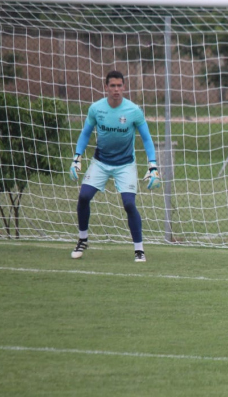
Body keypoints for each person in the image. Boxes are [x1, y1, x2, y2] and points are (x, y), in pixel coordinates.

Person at [68, 70, 161, 262]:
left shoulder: (134, 110)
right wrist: (77, 157)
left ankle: (139, 250)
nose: (116, 89)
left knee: (129, 204)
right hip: (100, 162)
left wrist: (153, 165)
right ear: (106, 87)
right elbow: (85, 133)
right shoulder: (96, 109)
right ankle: (83, 239)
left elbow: (146, 138)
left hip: (125, 164)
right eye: (112, 86)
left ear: (124, 87)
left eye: (119, 86)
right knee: (84, 196)